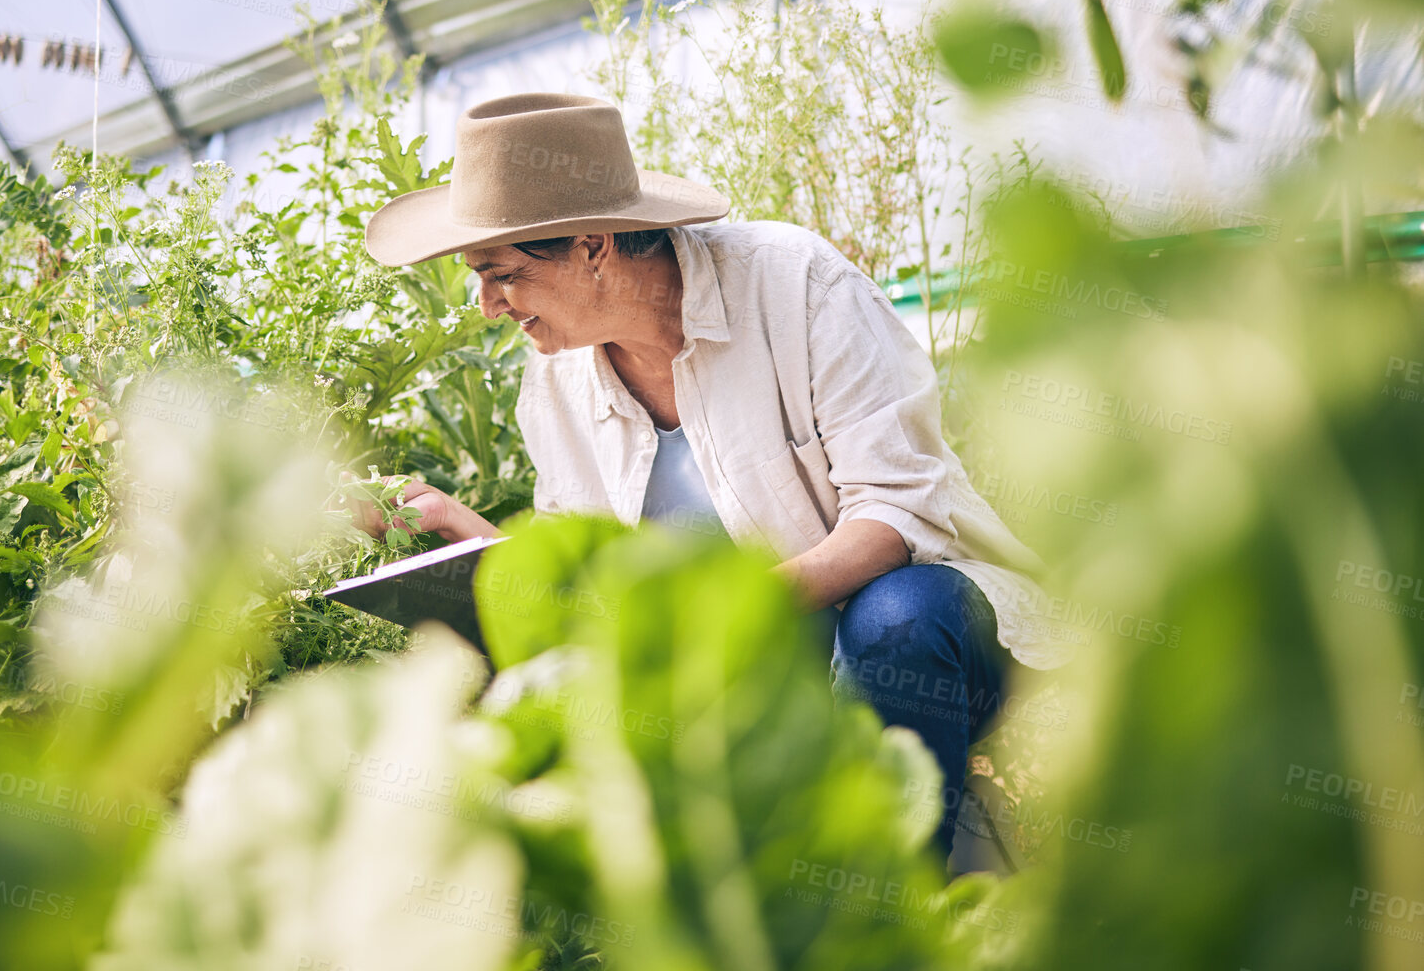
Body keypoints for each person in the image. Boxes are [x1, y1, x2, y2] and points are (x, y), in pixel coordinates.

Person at [346, 91, 1068, 863]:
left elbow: (894, 514)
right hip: (742, 690)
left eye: (501, 275)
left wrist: (725, 617)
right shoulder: (553, 385)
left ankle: (892, 899)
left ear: (593, 245)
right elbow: (584, 581)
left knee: (894, 616)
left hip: (937, 643)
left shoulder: (794, 286)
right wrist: (459, 530)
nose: (489, 305)